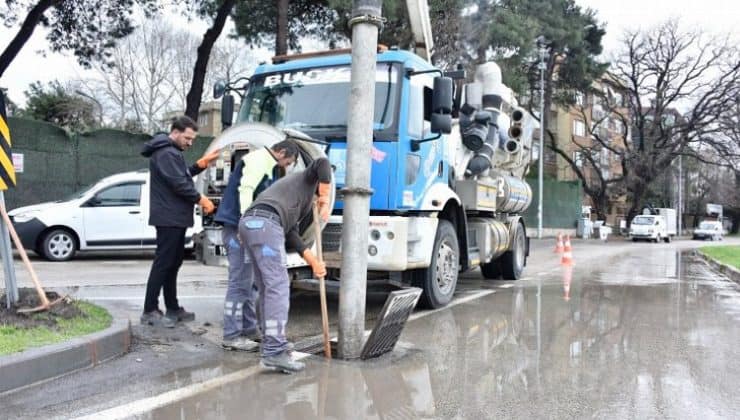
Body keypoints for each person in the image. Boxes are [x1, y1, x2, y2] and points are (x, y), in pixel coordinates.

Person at [239, 157, 332, 373]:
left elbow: (292, 235)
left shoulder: (294, 197)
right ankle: (274, 350)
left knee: (267, 288)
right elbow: (322, 163)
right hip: (266, 225)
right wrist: (325, 199)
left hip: (250, 224)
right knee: (278, 288)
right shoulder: (306, 179)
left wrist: (314, 263)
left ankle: (270, 340)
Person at [215, 140, 300, 351]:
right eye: (288, 161)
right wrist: (245, 223)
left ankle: (249, 329)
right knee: (240, 282)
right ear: (281, 152)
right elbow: (246, 189)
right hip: (238, 228)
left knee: (250, 281)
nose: (286, 166)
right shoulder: (259, 160)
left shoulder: (267, 165)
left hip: (242, 228)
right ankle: (232, 335)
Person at [140, 116, 219, 328]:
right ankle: (150, 310)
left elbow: (181, 176)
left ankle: (172, 308)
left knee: (173, 264)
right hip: (169, 218)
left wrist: (199, 166)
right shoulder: (166, 152)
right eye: (187, 138)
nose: (190, 142)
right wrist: (200, 199)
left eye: (192, 139)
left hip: (174, 217)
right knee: (164, 263)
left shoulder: (171, 152)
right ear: (174, 132)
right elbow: (178, 184)